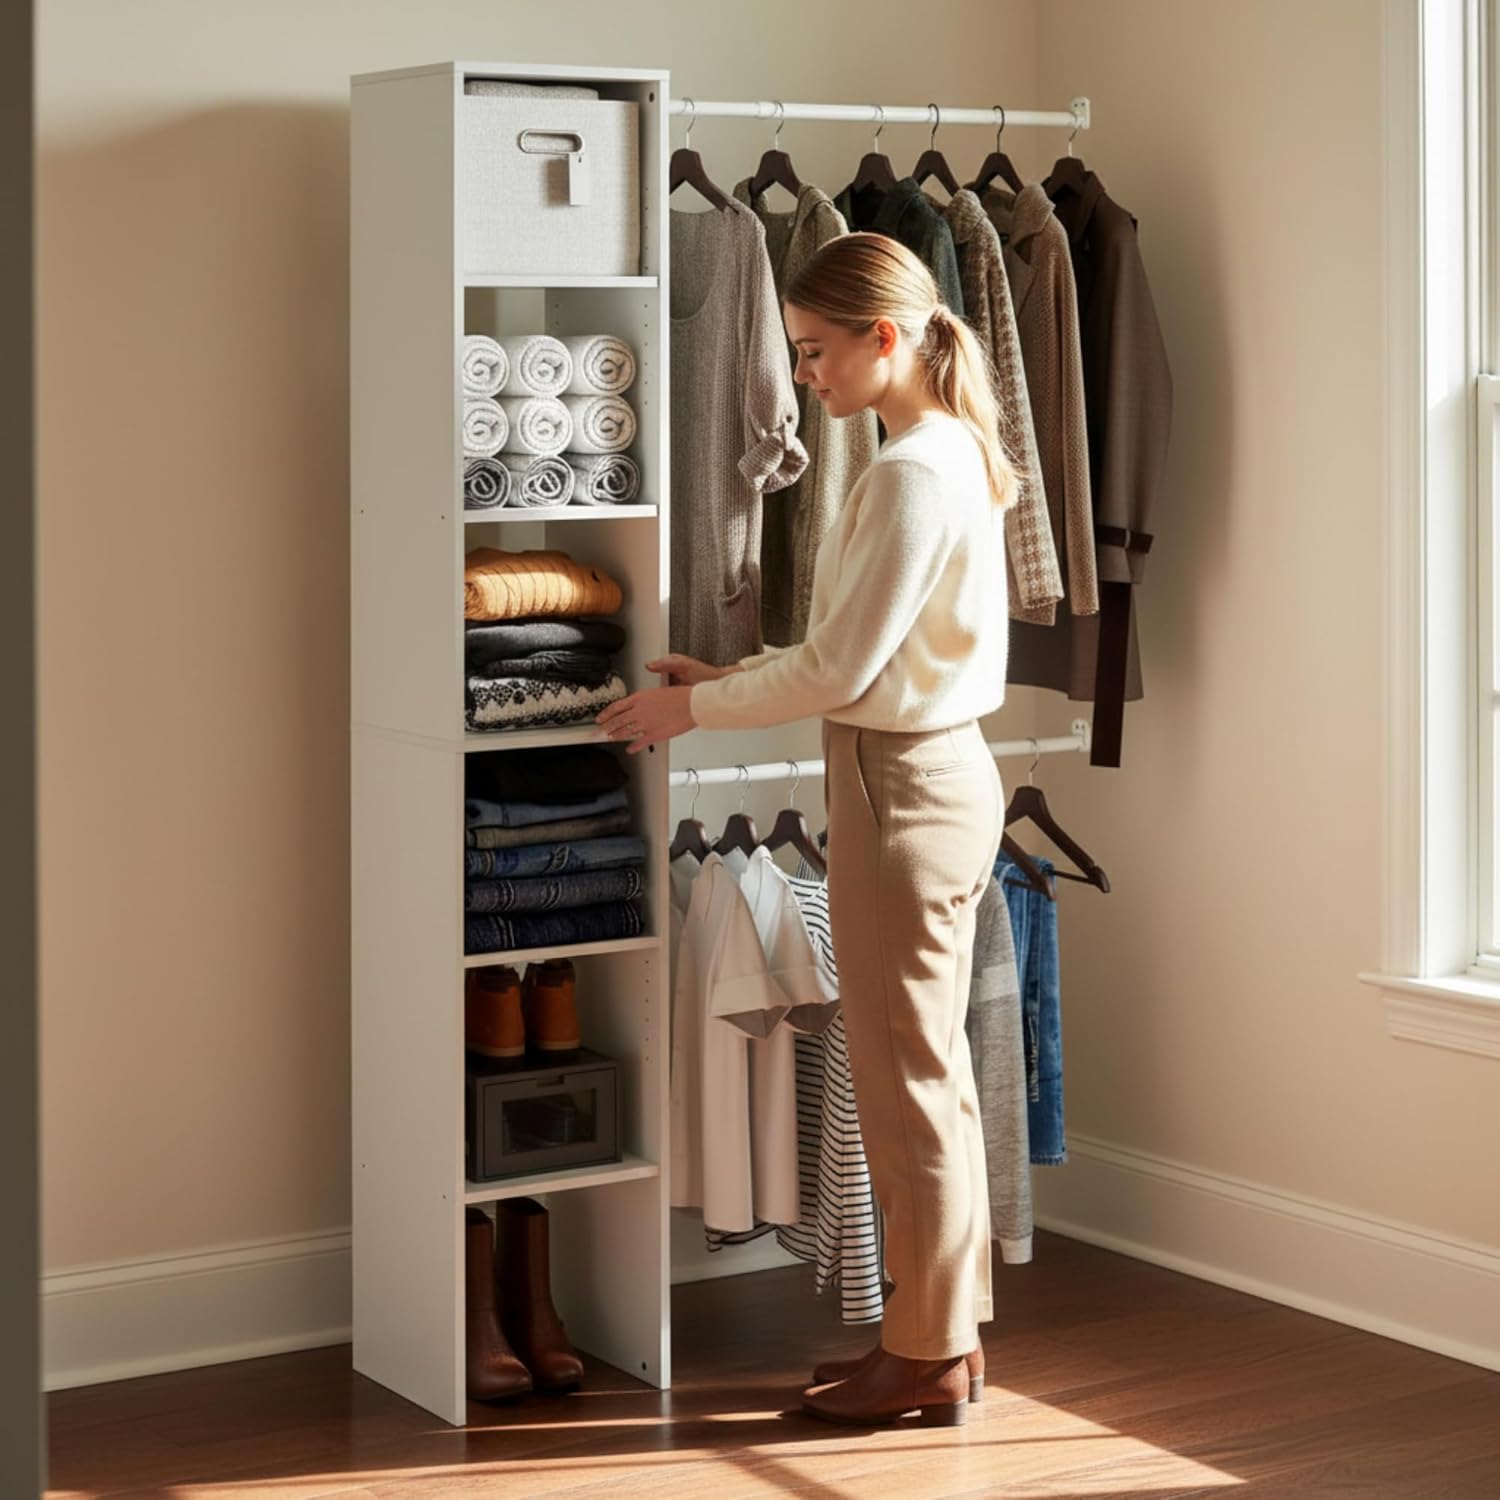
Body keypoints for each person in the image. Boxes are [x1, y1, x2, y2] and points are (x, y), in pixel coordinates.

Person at [597, 231, 1016, 1428]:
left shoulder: (907, 475)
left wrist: (695, 704)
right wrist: (735, 672)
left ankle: (928, 1351)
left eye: (818, 351)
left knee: (905, 1085)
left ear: (885, 339)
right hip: (929, 775)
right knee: (925, 1077)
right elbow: (869, 655)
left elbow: (844, 667)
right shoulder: (943, 455)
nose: (808, 376)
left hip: (903, 789)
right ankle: (941, 1337)